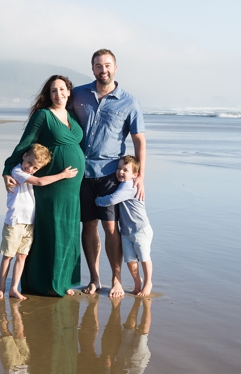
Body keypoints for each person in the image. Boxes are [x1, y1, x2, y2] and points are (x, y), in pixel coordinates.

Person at [68, 49, 146, 298]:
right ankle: (94, 280)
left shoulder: (129, 102)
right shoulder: (78, 94)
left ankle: (116, 280)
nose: (104, 70)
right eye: (99, 66)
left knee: (111, 228)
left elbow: (139, 141)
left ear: (116, 67)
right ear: (92, 69)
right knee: (88, 227)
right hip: (82, 173)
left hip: (112, 175)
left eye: (108, 65)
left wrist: (140, 176)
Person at [2, 75, 86, 297]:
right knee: (51, 228)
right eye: (53, 91)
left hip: (72, 187)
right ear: (48, 95)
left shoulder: (72, 116)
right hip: (53, 183)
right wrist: (7, 168)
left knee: (68, 229)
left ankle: (64, 280)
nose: (58, 94)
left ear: (69, 91)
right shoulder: (43, 115)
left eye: (62, 89)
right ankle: (44, 282)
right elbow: (25, 143)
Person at [0, 144, 78, 300]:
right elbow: (40, 182)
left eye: (35, 168)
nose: (30, 169)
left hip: (29, 223)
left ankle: (14, 288)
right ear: (25, 155)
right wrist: (63, 175)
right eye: (29, 163)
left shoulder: (26, 172)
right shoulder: (17, 171)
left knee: (22, 256)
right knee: (8, 256)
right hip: (15, 221)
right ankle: (1, 288)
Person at [95, 156, 154, 297]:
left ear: (134, 174)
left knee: (144, 258)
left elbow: (112, 199)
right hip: (126, 232)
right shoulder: (123, 184)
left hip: (140, 230)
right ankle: (137, 283)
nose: (120, 172)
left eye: (125, 170)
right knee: (130, 261)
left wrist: (97, 200)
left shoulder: (130, 186)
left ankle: (148, 283)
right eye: (119, 168)